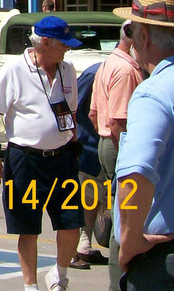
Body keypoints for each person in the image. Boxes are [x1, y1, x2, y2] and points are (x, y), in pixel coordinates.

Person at [0, 15, 82, 291]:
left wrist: (74, 146)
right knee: (27, 228)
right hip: (25, 161)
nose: (67, 49)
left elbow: (71, 113)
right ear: (46, 43)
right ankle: (31, 286)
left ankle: (59, 274)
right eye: (63, 44)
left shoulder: (68, 70)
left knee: (72, 224)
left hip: (61, 159)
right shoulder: (15, 71)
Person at [112, 0, 174, 290]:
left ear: (144, 36)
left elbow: (135, 176)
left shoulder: (154, 93)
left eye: (131, 32)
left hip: (168, 264)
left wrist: (130, 242)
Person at [89, 19, 145, 290]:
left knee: (119, 208)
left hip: (105, 140)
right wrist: (129, 157)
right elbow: (118, 121)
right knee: (123, 210)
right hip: (116, 142)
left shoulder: (108, 63)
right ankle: (117, 281)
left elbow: (93, 113)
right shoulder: (124, 69)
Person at [70, 61, 105, 270]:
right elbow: (74, 106)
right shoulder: (95, 72)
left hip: (103, 145)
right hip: (90, 144)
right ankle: (75, 248)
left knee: (96, 196)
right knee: (86, 195)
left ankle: (84, 244)